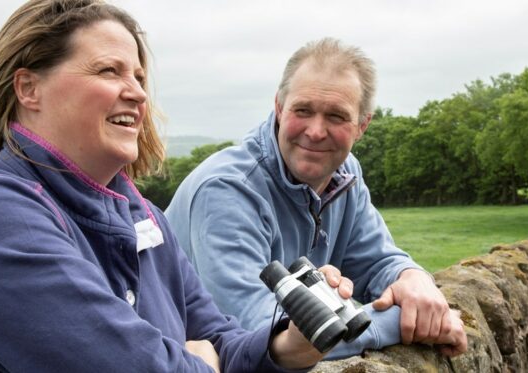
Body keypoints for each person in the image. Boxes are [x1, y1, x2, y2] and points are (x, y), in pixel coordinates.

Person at [0, 1, 325, 371]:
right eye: (108, 70)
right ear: (28, 88)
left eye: (138, 76)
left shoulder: (144, 215)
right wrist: (199, 361)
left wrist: (283, 346)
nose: (137, 93)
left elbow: (216, 336)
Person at [165, 38, 468, 359]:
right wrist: (399, 322)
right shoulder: (227, 190)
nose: (316, 131)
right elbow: (260, 329)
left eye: (336, 116)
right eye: (303, 110)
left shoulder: (344, 173)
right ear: (279, 107)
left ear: (362, 125)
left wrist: (413, 279)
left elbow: (376, 261)